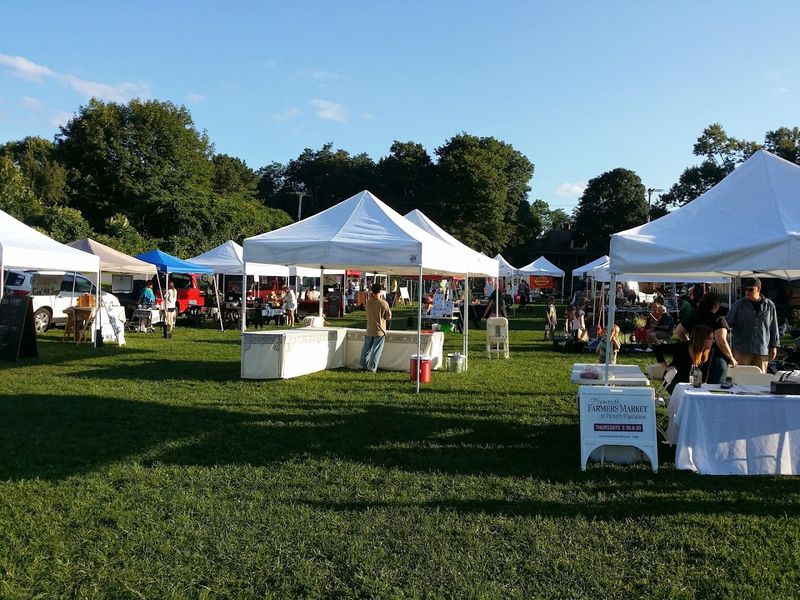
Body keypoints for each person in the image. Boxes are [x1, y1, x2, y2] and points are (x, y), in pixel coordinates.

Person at [673, 291, 737, 383]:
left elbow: (678, 331)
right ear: (716, 305)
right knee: (714, 388)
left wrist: (689, 342)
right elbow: (721, 341)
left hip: (696, 357)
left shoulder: (693, 317)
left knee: (695, 386)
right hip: (715, 360)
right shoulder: (719, 319)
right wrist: (731, 358)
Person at [726, 277, 780, 372]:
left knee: (760, 378)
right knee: (740, 377)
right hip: (742, 349)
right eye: (745, 289)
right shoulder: (739, 304)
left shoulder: (769, 305)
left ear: (758, 289)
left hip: (762, 349)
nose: (747, 292)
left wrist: (774, 346)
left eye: (750, 289)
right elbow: (727, 322)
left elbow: (773, 327)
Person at [654, 325, 714, 394]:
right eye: (710, 338)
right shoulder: (682, 347)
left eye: (713, 338)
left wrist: (703, 387)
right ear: (701, 339)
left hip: (692, 382)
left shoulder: (709, 351)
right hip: (673, 379)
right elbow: (658, 349)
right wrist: (665, 367)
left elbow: (705, 373)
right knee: (683, 393)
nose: (713, 341)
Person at [358, 283, 392, 372]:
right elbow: (388, 317)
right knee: (376, 351)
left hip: (369, 329)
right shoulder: (384, 303)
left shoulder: (368, 302)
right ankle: (372, 367)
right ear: (380, 291)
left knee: (366, 350)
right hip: (379, 330)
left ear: (372, 292)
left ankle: (362, 365)